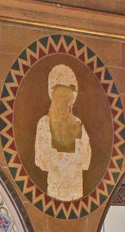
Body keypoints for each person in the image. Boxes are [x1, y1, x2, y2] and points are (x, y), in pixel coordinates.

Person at [33, 63, 91, 201]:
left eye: (68, 99)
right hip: (55, 188)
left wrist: (65, 159)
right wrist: (67, 159)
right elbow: (42, 158)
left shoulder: (77, 123)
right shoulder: (44, 123)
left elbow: (85, 158)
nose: (65, 103)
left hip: (75, 187)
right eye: (62, 98)